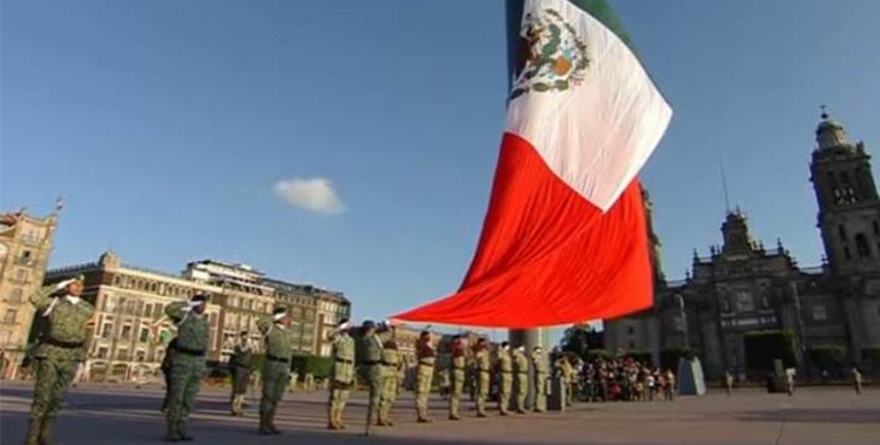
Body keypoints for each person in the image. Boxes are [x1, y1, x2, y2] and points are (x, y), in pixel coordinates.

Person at [24, 275, 95, 445]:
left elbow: (89, 332)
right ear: (66, 286)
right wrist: (57, 285)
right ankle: (32, 437)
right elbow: (34, 297)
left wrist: (84, 353)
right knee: (42, 395)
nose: (78, 287)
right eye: (73, 284)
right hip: (51, 352)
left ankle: (46, 434)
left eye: (80, 285)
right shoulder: (53, 303)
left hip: (72, 355)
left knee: (58, 396)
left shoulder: (88, 308)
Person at [164, 294, 210, 442]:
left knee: (190, 397)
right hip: (183, 360)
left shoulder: (205, 322)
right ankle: (172, 429)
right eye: (201, 303)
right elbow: (169, 309)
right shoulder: (184, 317)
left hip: (198, 361)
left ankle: (182, 426)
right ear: (195, 304)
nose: (203, 306)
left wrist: (204, 363)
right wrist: (188, 303)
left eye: (205, 304)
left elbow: (205, 343)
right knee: (177, 396)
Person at [256, 306, 295, 435]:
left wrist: (289, 368)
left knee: (277, 396)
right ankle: (263, 423)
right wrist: (274, 317)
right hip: (272, 363)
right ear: (280, 317)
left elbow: (289, 352)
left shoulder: (288, 332)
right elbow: (260, 323)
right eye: (286, 316)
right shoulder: (271, 329)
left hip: (283, 366)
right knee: (268, 395)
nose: (289, 318)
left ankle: (270, 421)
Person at [327, 319, 355, 430]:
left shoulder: (351, 340)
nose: (349, 327)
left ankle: (338, 418)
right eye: (347, 325)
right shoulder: (338, 338)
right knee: (335, 396)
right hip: (338, 368)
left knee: (344, 396)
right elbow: (329, 335)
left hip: (348, 370)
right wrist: (339, 328)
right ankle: (331, 420)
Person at [359, 320, 386, 435]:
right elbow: (386, 332)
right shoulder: (370, 340)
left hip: (366, 368)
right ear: (370, 329)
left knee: (375, 398)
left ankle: (369, 424)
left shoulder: (362, 339)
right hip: (374, 369)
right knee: (375, 398)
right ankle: (369, 426)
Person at [378, 335, 403, 427]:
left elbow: (400, 363)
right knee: (384, 395)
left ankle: (385, 416)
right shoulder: (382, 350)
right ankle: (381, 417)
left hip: (394, 373)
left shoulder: (397, 352)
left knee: (391, 397)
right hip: (385, 372)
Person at [229, 331, 253, 416]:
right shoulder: (238, 346)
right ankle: (234, 408)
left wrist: (251, 371)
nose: (246, 338)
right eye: (244, 336)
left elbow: (250, 359)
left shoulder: (250, 347)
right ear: (241, 336)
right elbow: (240, 352)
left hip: (246, 369)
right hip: (239, 368)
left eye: (247, 336)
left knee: (243, 390)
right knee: (236, 389)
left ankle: (239, 407)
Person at [414, 330, 436, 423]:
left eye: (429, 336)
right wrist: (426, 342)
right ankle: (420, 414)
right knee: (421, 391)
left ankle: (424, 414)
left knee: (426, 393)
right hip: (423, 367)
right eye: (427, 336)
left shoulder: (429, 345)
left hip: (430, 368)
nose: (429, 338)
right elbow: (419, 350)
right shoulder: (420, 343)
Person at [448, 335, 466, 421]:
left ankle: (455, 411)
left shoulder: (459, 349)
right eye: (459, 340)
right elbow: (454, 352)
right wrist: (458, 345)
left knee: (457, 393)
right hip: (457, 371)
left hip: (460, 371)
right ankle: (453, 412)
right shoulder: (455, 348)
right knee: (455, 393)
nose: (461, 342)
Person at [473, 338, 491, 418]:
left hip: (486, 372)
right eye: (484, 342)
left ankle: (482, 408)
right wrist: (479, 349)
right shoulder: (479, 351)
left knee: (485, 392)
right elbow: (476, 357)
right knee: (481, 391)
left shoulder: (486, 351)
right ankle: (480, 410)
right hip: (482, 372)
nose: (485, 344)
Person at [160, 338, 178, 413]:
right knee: (174, 388)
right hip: (173, 368)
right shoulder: (179, 342)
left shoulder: (175, 341)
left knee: (171, 389)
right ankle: (168, 406)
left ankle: (167, 406)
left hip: (169, 367)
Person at [497, 342, 513, 415]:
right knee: (504, 391)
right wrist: (501, 350)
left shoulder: (507, 354)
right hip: (504, 373)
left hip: (509, 373)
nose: (508, 347)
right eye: (507, 346)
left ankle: (505, 408)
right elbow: (498, 358)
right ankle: (502, 408)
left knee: (508, 392)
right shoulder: (501, 353)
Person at [512, 346, 529, 414]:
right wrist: (517, 350)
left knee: (524, 392)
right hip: (520, 374)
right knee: (521, 391)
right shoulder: (518, 355)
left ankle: (521, 406)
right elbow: (514, 354)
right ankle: (519, 407)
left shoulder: (523, 356)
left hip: (525, 374)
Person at [531, 346, 548, 412]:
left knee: (542, 390)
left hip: (543, 373)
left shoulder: (540, 358)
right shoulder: (535, 357)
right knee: (539, 390)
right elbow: (533, 357)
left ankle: (540, 405)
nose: (540, 352)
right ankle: (537, 406)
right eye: (538, 350)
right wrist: (535, 352)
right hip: (539, 374)